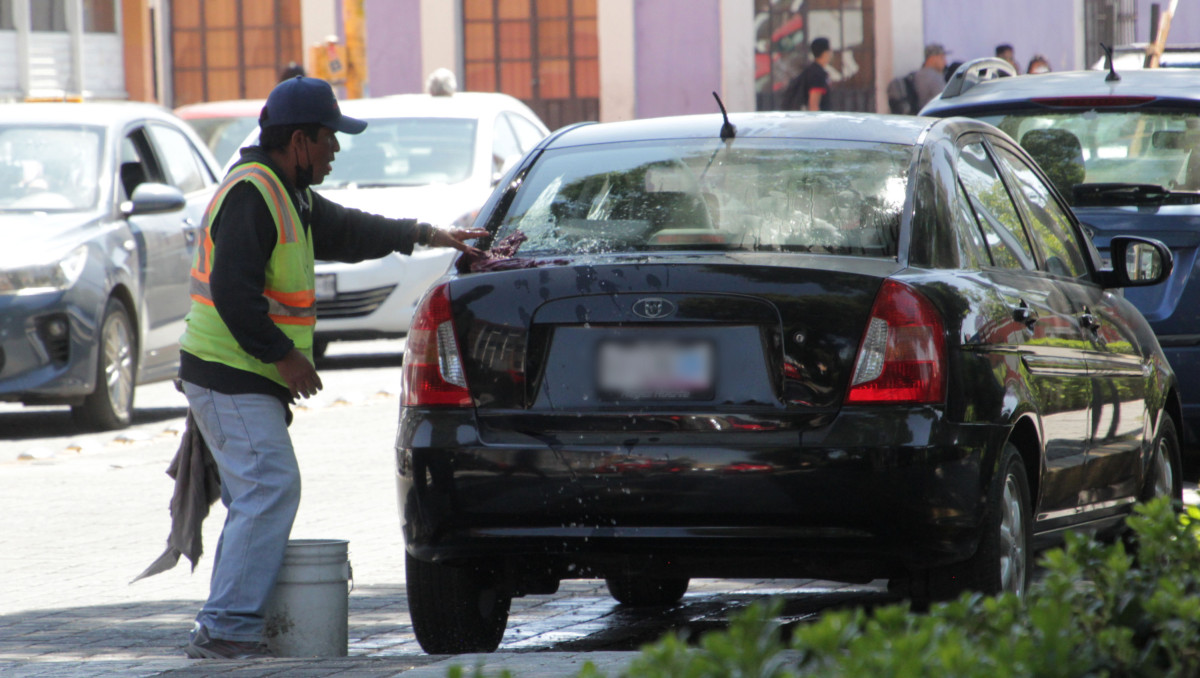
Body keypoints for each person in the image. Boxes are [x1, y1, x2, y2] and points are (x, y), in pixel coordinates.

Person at [178, 76, 486, 660]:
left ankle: (227, 625)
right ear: (299, 141)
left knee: (260, 490)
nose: (336, 150)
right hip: (227, 370)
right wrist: (288, 359)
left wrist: (427, 233)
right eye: (329, 139)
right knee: (269, 487)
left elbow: (348, 228)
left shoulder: (285, 190)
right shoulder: (253, 194)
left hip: (239, 372)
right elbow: (233, 295)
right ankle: (224, 630)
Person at [782, 37, 833, 111]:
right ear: (825, 53)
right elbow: (813, 105)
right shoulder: (817, 74)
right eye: (830, 50)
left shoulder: (812, 70)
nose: (831, 53)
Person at [912, 43, 949, 110]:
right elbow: (944, 101)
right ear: (932, 58)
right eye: (942, 58)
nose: (945, 62)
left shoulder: (919, 74)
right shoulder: (934, 76)